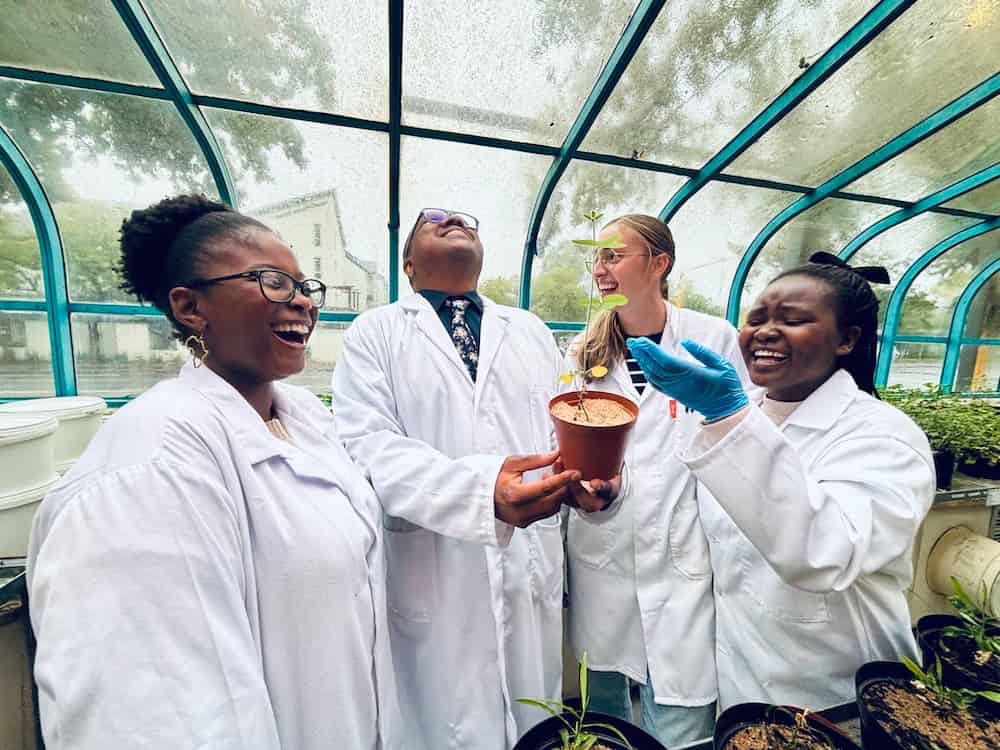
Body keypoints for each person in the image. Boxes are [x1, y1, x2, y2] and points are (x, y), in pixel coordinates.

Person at [27, 194, 401, 750]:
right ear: (189, 307)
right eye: (273, 281)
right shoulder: (148, 464)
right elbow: (154, 716)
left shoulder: (304, 421)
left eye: (304, 287)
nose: (301, 302)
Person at [627, 252, 935, 710]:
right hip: (743, 686)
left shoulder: (884, 435)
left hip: (840, 694)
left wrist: (728, 418)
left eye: (791, 320)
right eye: (757, 318)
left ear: (846, 340)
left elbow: (824, 552)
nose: (765, 331)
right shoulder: (740, 416)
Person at [331, 208, 582, 750]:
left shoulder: (531, 329)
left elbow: (564, 425)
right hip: (432, 563)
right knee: (444, 724)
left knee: (535, 720)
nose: (454, 222)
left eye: (466, 219)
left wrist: (586, 478)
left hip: (526, 561)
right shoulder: (374, 332)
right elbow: (366, 446)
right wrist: (480, 492)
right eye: (434, 220)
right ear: (408, 263)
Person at [561, 214, 748, 747]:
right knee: (604, 717)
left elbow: (739, 439)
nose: (600, 269)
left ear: (658, 263)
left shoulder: (712, 339)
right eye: (596, 258)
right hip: (604, 552)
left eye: (613, 256)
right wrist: (592, 490)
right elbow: (570, 447)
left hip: (685, 554)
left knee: (683, 718)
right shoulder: (583, 354)